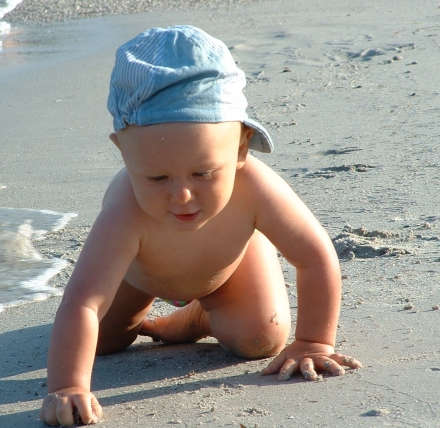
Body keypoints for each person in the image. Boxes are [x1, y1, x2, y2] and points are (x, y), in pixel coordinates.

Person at [40, 25, 361, 426]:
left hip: (229, 265)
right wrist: (68, 386)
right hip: (137, 277)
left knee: (261, 337)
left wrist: (314, 340)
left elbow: (315, 256)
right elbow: (84, 301)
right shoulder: (125, 211)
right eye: (157, 178)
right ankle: (168, 316)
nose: (182, 196)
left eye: (204, 173)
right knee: (104, 341)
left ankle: (197, 317)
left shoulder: (254, 188)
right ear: (123, 151)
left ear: (241, 146)